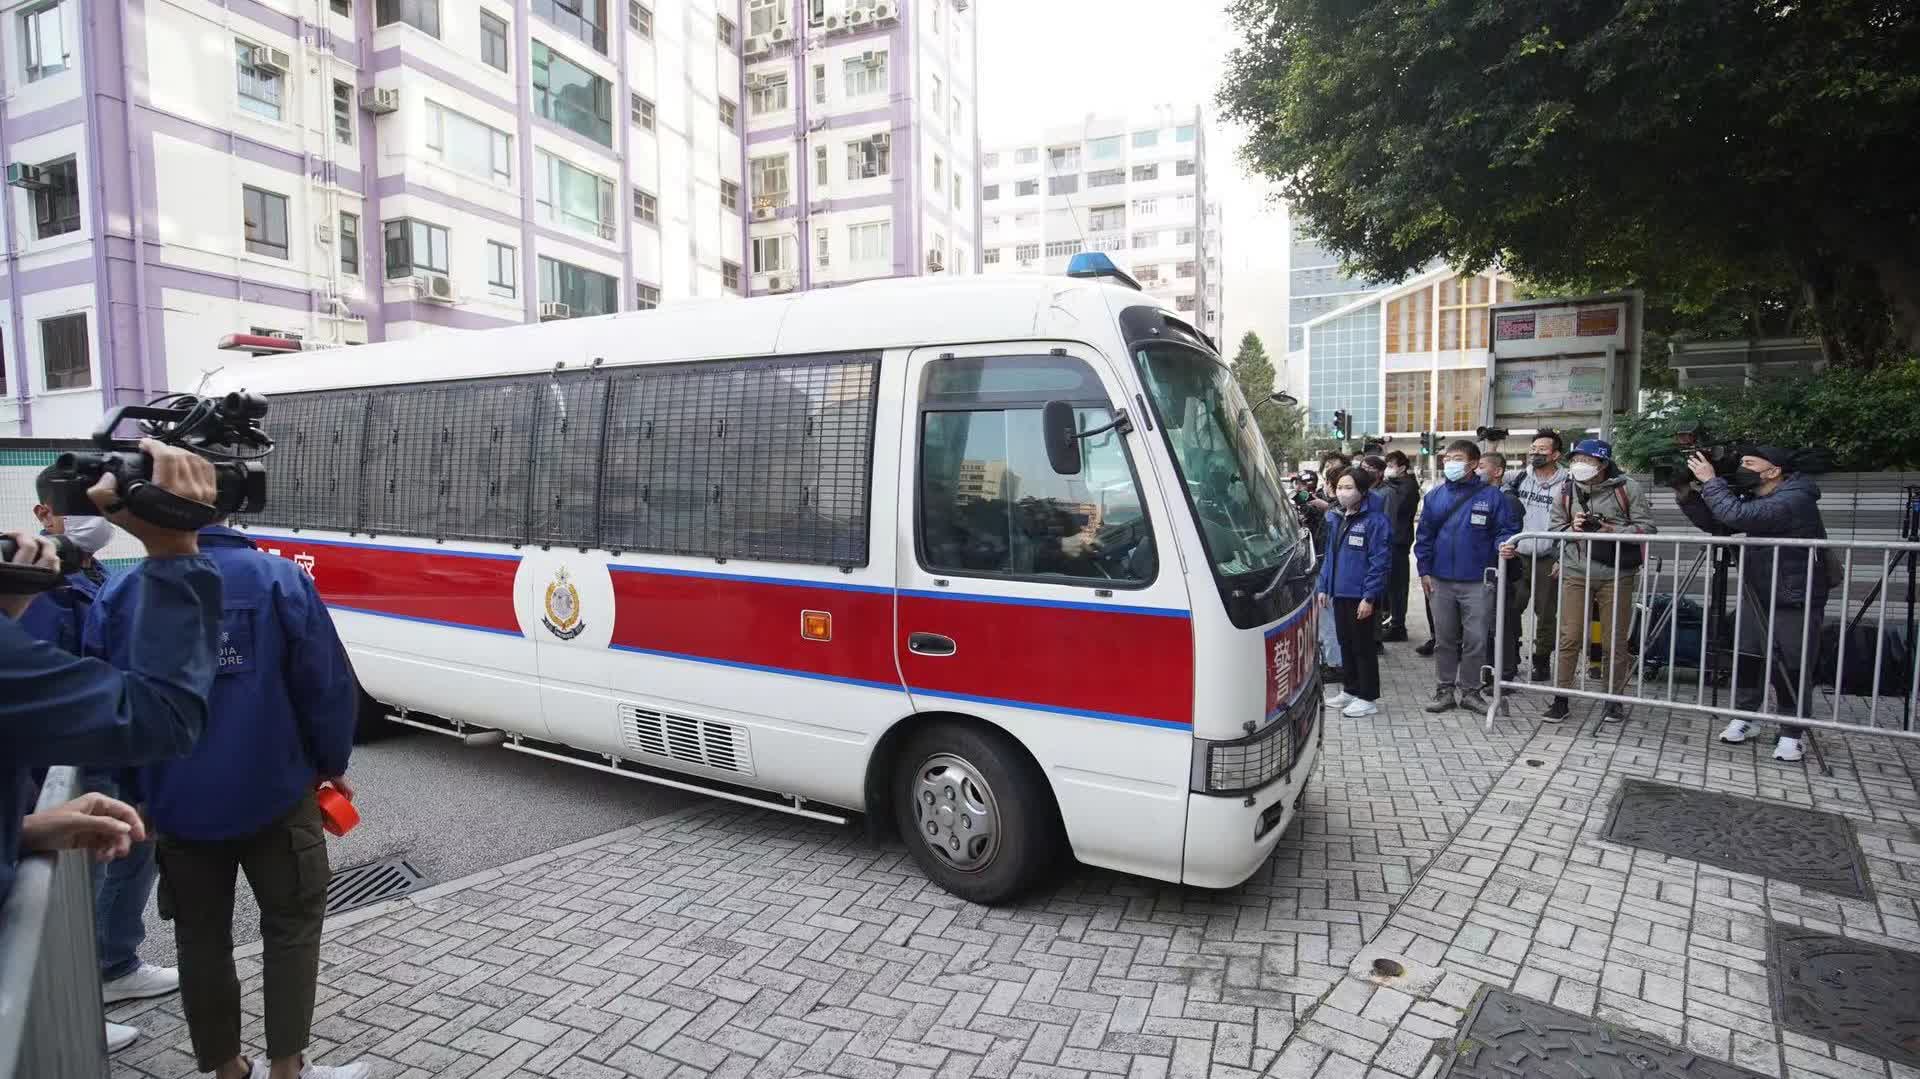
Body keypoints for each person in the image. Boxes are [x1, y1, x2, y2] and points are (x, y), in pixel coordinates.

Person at [88, 518, 366, 1079]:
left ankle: (229, 1069)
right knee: (291, 927)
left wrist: (132, 793)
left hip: (178, 805)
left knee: (200, 939)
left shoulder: (122, 592)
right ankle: (287, 1067)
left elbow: (105, 707)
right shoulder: (278, 580)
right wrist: (329, 764)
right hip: (278, 793)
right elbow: (326, 685)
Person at [1, 443, 222, 908]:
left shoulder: (98, 578)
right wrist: (174, 548)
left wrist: (22, 831)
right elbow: (158, 718)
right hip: (91, 759)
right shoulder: (65, 590)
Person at [17, 469, 178, 1054]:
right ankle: (76, 1002)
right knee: (75, 887)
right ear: (43, 515)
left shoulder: (90, 572)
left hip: (111, 753)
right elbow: (43, 687)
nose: (94, 518)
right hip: (73, 764)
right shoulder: (41, 586)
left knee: (133, 856)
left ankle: (115, 965)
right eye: (74, 505)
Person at [1678, 447, 1829, 763]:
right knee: (1748, 657)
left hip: (1794, 595)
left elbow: (1738, 516)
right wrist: (1686, 494)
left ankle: (1791, 733)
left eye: (1749, 463)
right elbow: (1722, 524)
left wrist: (1711, 481)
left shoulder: (1796, 497)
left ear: (1774, 470)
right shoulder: (1759, 497)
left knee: (1790, 664)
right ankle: (1746, 716)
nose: (1741, 468)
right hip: (1757, 591)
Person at [1529, 439, 1654, 723]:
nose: (1579, 465)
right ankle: (1561, 699)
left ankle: (1613, 700)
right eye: (1576, 460)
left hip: (1617, 574)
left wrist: (1610, 529)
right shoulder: (1566, 489)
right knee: (1569, 637)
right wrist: (1572, 529)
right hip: (1576, 571)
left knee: (1614, 641)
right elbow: (1554, 530)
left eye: (1586, 460)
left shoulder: (1627, 488)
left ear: (1603, 464)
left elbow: (1647, 528)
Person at [1414, 440, 1521, 714]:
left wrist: (1504, 545)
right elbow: (1424, 537)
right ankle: (1445, 690)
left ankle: (1471, 691)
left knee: (1476, 639)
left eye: (1457, 458)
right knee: (1444, 639)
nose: (1450, 463)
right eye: (1447, 458)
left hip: (1478, 581)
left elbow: (1505, 530)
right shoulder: (1434, 497)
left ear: (1473, 464)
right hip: (1440, 580)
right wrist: (1424, 570)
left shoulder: (1492, 497)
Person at [1317, 469, 1392, 716]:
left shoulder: (1376, 521)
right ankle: (1350, 690)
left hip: (1361, 596)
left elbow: (1379, 562)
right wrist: (1324, 587)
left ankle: (1367, 697)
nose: (1342, 492)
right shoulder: (1337, 517)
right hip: (1339, 594)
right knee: (1346, 643)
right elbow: (1329, 556)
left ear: (1362, 490)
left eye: (1349, 488)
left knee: (1363, 647)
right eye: (1339, 487)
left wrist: (1369, 597)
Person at [1506, 431, 1568, 682]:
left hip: (1548, 557)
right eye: (1533, 448)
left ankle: (1541, 660)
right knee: (1512, 606)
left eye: (1542, 449)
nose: (1535, 453)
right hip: (1518, 555)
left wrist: (1562, 557)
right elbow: (1489, 472)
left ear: (1555, 455)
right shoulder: (1519, 477)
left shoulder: (1568, 483)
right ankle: (1511, 654)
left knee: (1546, 613)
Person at [1480, 453, 1528, 688]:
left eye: (1481, 466)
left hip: (1500, 571)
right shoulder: (1478, 496)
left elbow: (1508, 535)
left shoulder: (1508, 501)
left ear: (1498, 471)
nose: (1476, 471)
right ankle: (1490, 670)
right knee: (1489, 623)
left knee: (1501, 624)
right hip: (1482, 571)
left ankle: (1504, 674)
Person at [1379, 451, 1421, 642]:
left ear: (1402, 468)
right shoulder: (1394, 485)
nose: (1388, 470)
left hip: (1398, 541)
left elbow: (1397, 508)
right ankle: (1392, 620)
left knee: (1397, 586)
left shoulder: (1407, 487)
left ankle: (1398, 626)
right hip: (1394, 540)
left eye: (1391, 466)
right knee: (1390, 586)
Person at [1315, 464, 1348, 683]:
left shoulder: (1333, 516)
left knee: (1329, 622)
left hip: (1329, 576)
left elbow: (1326, 550)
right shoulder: (1342, 512)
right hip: (1339, 576)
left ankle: (1334, 664)